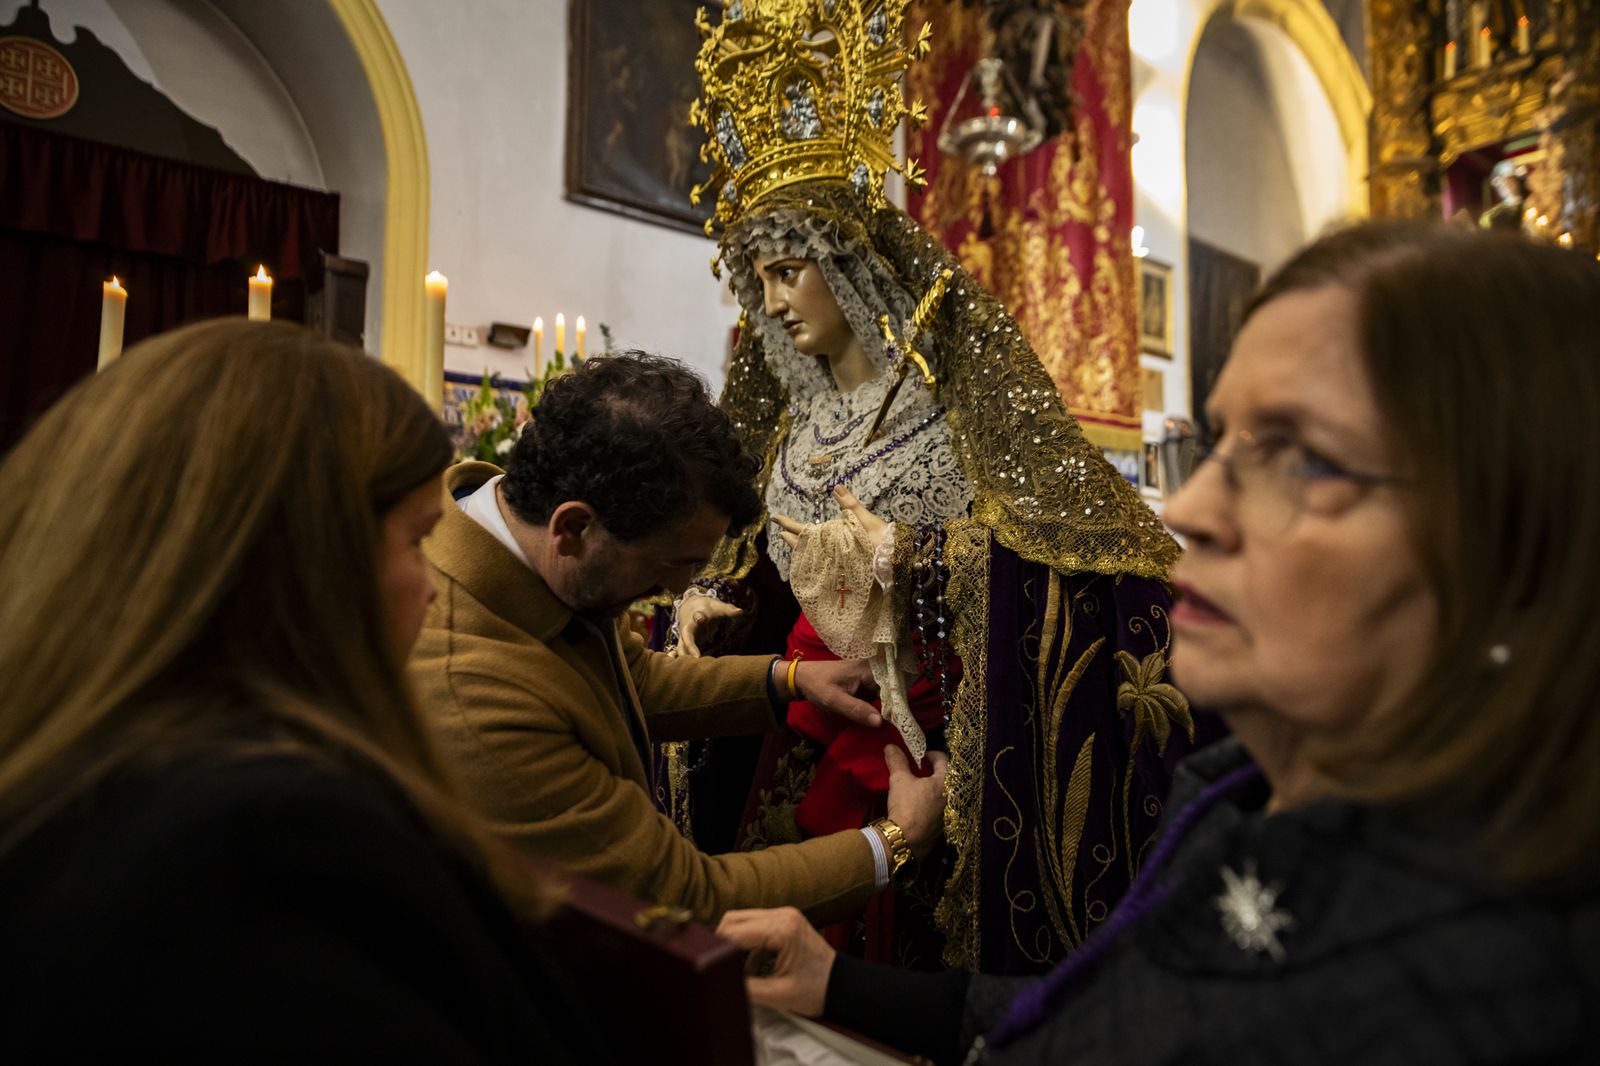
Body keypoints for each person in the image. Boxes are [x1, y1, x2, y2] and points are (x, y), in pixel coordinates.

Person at [715, 220, 1600, 1063]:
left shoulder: (1487, 994)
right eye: (1223, 443)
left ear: (1522, 540)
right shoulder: (1234, 793)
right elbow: (1109, 1017)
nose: (1191, 513)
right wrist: (839, 983)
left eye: (1306, 459)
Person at [672, 0, 1199, 972]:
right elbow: (751, 559)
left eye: (792, 269)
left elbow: (1062, 567)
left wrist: (920, 555)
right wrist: (713, 594)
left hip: (931, 763)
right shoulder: (785, 424)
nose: (774, 300)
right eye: (758, 275)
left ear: (855, 267)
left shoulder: (953, 411)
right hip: (798, 747)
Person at [0, 319, 613, 1062]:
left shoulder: (81, 765)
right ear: (306, 560)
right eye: (417, 538)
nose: (430, 589)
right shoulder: (269, 842)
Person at [406, 351, 947, 926]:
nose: (678, 588)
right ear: (574, 528)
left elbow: (626, 680)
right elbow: (680, 894)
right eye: (670, 562)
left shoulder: (531, 551)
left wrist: (790, 678)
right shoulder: (472, 689)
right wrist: (895, 841)